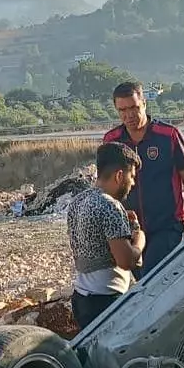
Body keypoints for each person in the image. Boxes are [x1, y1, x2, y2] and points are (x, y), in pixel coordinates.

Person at [105, 81, 184, 272]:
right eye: (122, 110)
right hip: (130, 229)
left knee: (154, 274)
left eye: (134, 107)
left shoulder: (168, 135)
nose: (129, 115)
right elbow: (107, 185)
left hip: (167, 226)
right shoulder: (112, 140)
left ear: (144, 104)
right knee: (142, 279)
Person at [66, 140, 145, 328]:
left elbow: (94, 239)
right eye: (131, 176)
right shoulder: (110, 206)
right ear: (119, 175)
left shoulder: (78, 202)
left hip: (81, 297)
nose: (133, 183)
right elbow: (126, 261)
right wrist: (139, 238)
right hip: (106, 301)